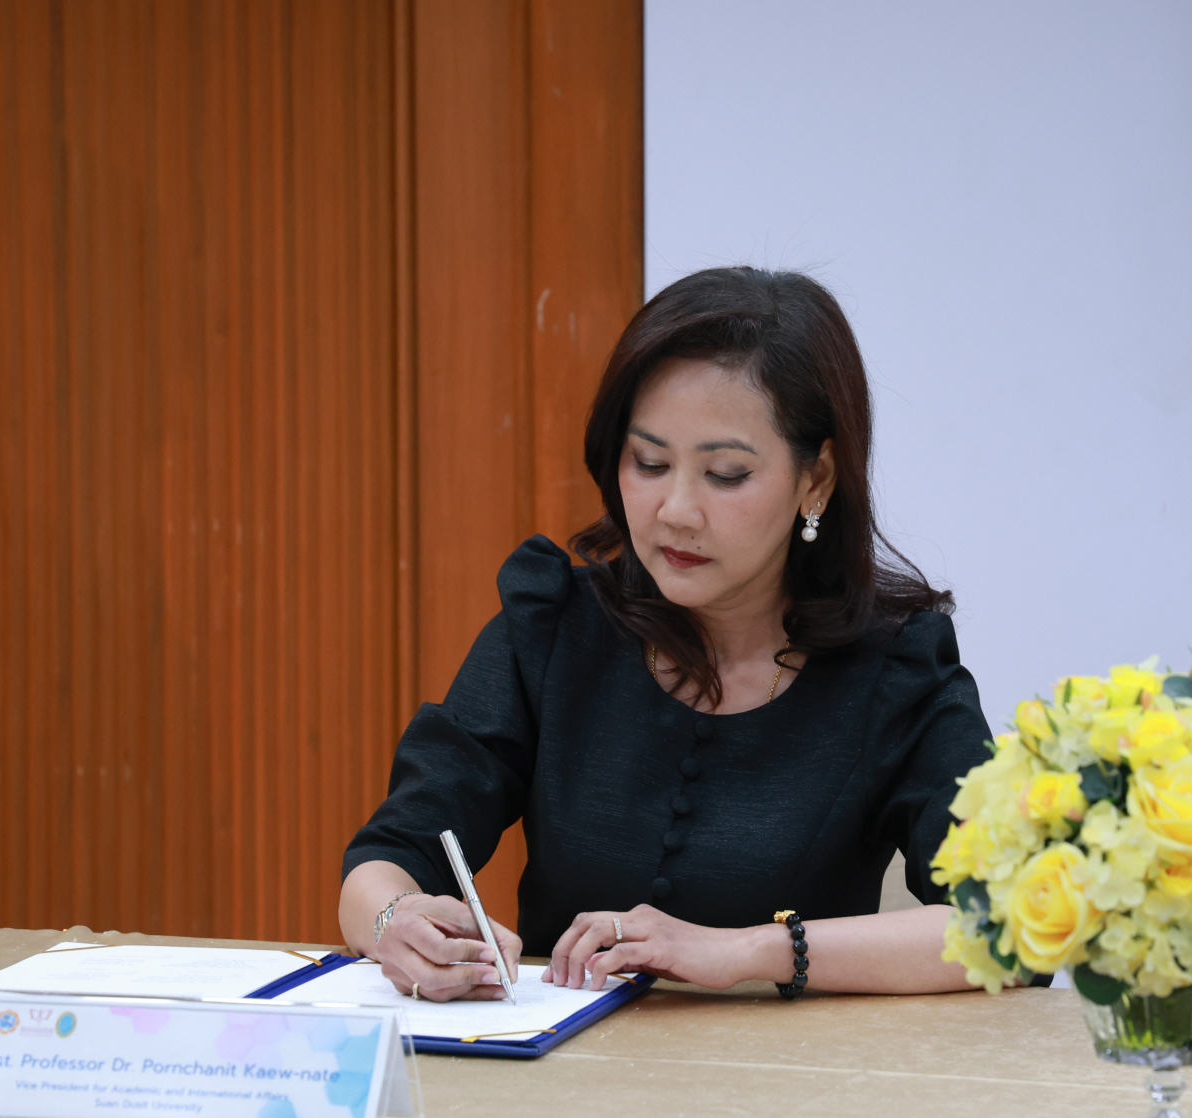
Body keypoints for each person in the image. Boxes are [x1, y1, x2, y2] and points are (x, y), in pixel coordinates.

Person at [339, 266, 1002, 1001]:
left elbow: (998, 928)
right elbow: (387, 857)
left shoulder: (896, 672)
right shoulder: (554, 627)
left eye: (725, 474)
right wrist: (397, 920)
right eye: (649, 462)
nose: (675, 511)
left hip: (789, 1071)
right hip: (562, 1066)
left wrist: (748, 950)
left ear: (815, 479)